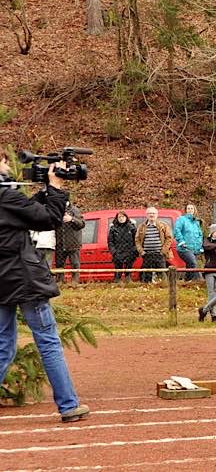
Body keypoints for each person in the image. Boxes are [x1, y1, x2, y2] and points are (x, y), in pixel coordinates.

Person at [0, 150, 89, 422]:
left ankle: (68, 404)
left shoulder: (8, 197)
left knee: (3, 343)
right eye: (2, 161)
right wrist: (56, 187)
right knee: (48, 340)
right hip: (23, 279)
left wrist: (45, 191)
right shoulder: (7, 196)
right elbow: (48, 219)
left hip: (3, 280)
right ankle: (68, 405)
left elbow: (24, 213)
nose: (7, 164)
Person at [135, 206, 173, 283]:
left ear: (157, 215)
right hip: (146, 254)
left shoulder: (163, 226)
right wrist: (141, 251)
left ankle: (164, 287)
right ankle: (147, 288)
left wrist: (163, 251)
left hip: (159, 254)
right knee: (147, 274)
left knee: (162, 273)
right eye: (149, 213)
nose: (151, 215)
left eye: (153, 213)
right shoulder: (141, 227)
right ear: (146, 215)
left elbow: (169, 238)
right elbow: (137, 240)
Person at [54, 200, 85, 284]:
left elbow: (82, 224)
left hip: (73, 244)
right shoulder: (57, 210)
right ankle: (60, 283)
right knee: (59, 265)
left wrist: (71, 219)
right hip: (60, 243)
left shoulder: (75, 210)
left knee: (75, 264)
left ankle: (74, 283)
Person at [174, 204, 204, 281]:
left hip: (194, 248)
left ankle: (188, 281)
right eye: (188, 208)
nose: (190, 210)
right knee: (193, 263)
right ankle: (192, 280)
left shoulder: (196, 222)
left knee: (190, 265)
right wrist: (181, 241)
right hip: (184, 248)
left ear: (194, 210)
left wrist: (200, 246)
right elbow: (177, 230)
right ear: (186, 210)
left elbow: (199, 235)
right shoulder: (181, 219)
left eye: (192, 208)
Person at [108, 211, 137, 283]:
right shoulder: (113, 229)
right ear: (117, 218)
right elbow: (110, 242)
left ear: (126, 217)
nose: (121, 218)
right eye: (119, 217)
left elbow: (136, 240)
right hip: (117, 253)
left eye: (123, 217)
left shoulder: (132, 228)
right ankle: (117, 283)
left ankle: (128, 281)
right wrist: (114, 252)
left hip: (130, 253)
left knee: (128, 272)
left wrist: (133, 251)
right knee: (118, 273)